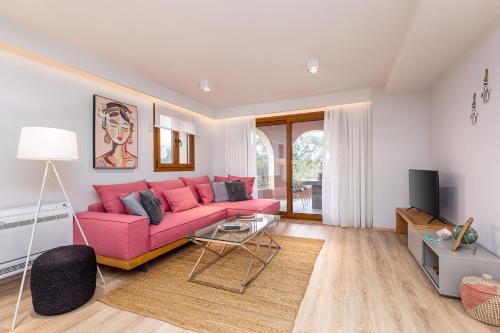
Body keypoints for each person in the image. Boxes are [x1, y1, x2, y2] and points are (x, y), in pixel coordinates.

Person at [95, 102, 137, 168]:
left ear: (130, 130)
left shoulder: (135, 161)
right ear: (106, 129)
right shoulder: (98, 163)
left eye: (124, 127)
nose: (119, 133)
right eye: (113, 125)